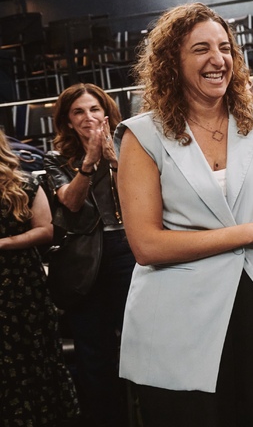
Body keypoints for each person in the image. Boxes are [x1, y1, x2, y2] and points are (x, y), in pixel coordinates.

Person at [113, 2, 253, 427]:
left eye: (224, 48)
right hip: (179, 315)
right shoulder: (141, 135)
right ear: (172, 62)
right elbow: (146, 246)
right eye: (201, 49)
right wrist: (249, 232)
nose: (218, 60)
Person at [45, 82, 134, 427]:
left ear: (107, 112)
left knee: (141, 342)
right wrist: (89, 162)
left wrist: (113, 160)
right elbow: (70, 202)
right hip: (85, 259)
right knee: (94, 354)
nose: (88, 117)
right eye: (78, 112)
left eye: (94, 109)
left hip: (129, 248)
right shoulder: (56, 158)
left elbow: (142, 193)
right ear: (68, 121)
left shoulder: (128, 146)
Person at [0, 129, 80, 426]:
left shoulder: (23, 183)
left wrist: (4, 243)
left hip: (21, 285)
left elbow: (46, 230)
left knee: (33, 356)